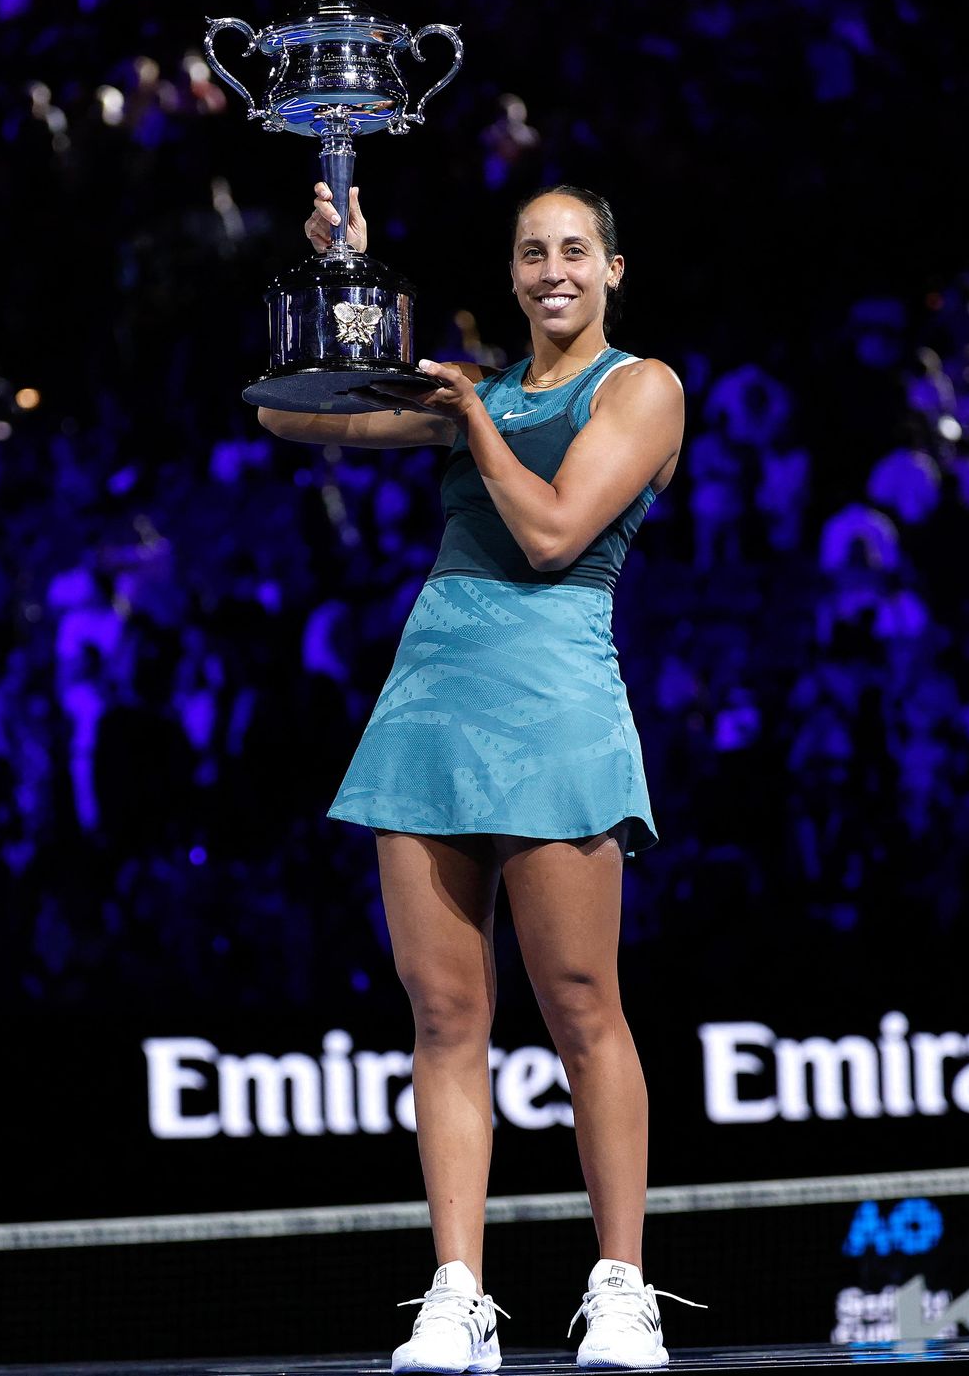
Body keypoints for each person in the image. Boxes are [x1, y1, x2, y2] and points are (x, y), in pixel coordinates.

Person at [259, 180, 694, 1371]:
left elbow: (552, 535)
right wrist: (341, 286)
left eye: (574, 251)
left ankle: (622, 1290)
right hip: (431, 710)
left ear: (612, 270)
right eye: (531, 252)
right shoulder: (478, 393)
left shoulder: (642, 389)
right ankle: (457, 1294)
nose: (552, 271)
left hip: (554, 709)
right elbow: (291, 415)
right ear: (511, 273)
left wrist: (470, 418)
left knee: (581, 1004)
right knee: (446, 1016)